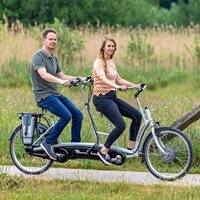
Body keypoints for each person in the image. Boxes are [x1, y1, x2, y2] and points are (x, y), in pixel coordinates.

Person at [30, 29, 84, 160]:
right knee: (66, 116)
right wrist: (61, 82)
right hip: (43, 96)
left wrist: (79, 78)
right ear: (44, 40)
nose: (53, 41)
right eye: (50, 39)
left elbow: (62, 75)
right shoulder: (38, 57)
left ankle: (74, 146)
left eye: (55, 39)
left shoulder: (54, 58)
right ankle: (48, 143)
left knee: (78, 115)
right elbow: (44, 75)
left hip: (55, 94)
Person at [92, 35, 142, 165]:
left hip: (112, 97)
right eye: (108, 46)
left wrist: (135, 85)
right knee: (121, 125)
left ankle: (130, 149)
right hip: (101, 98)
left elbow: (119, 79)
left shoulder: (111, 62)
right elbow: (103, 79)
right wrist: (118, 87)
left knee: (137, 116)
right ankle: (103, 151)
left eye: (113, 46)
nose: (111, 48)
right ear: (103, 47)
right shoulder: (99, 62)